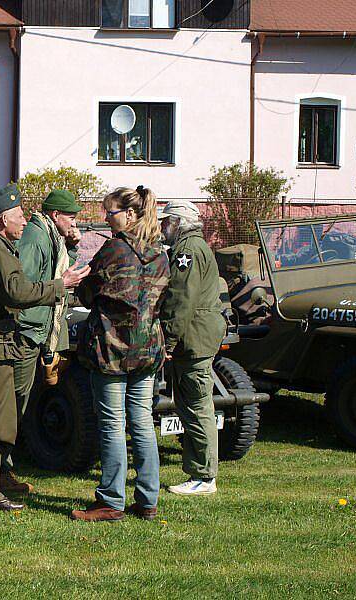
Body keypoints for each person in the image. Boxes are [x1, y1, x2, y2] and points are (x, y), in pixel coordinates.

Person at [0, 184, 90, 524]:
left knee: (5, 425)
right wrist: (60, 285)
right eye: (19, 216)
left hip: (1, 347)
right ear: (1, 220)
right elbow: (16, 292)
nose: (24, 222)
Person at [70, 186, 169, 523]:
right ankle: (148, 500)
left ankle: (111, 501)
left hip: (113, 350)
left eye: (109, 213)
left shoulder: (114, 249)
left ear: (129, 214)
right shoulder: (159, 252)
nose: (105, 219)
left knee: (112, 424)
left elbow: (87, 293)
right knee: (141, 421)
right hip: (148, 349)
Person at [0, 189, 84, 495]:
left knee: (19, 403)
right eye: (71, 216)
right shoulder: (36, 238)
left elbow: (56, 270)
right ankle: (0, 472)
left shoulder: (49, 236)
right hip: (27, 331)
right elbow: (25, 286)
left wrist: (71, 249)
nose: (75, 222)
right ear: (55, 215)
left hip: (37, 330)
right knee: (13, 406)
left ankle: (1, 469)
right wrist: (64, 284)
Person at [159, 199, 226, 496]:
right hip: (199, 334)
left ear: (177, 222)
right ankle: (202, 472)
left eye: (166, 222)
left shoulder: (187, 250)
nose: (162, 227)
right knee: (196, 405)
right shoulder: (196, 247)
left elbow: (180, 299)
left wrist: (168, 340)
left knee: (197, 407)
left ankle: (203, 475)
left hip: (194, 338)